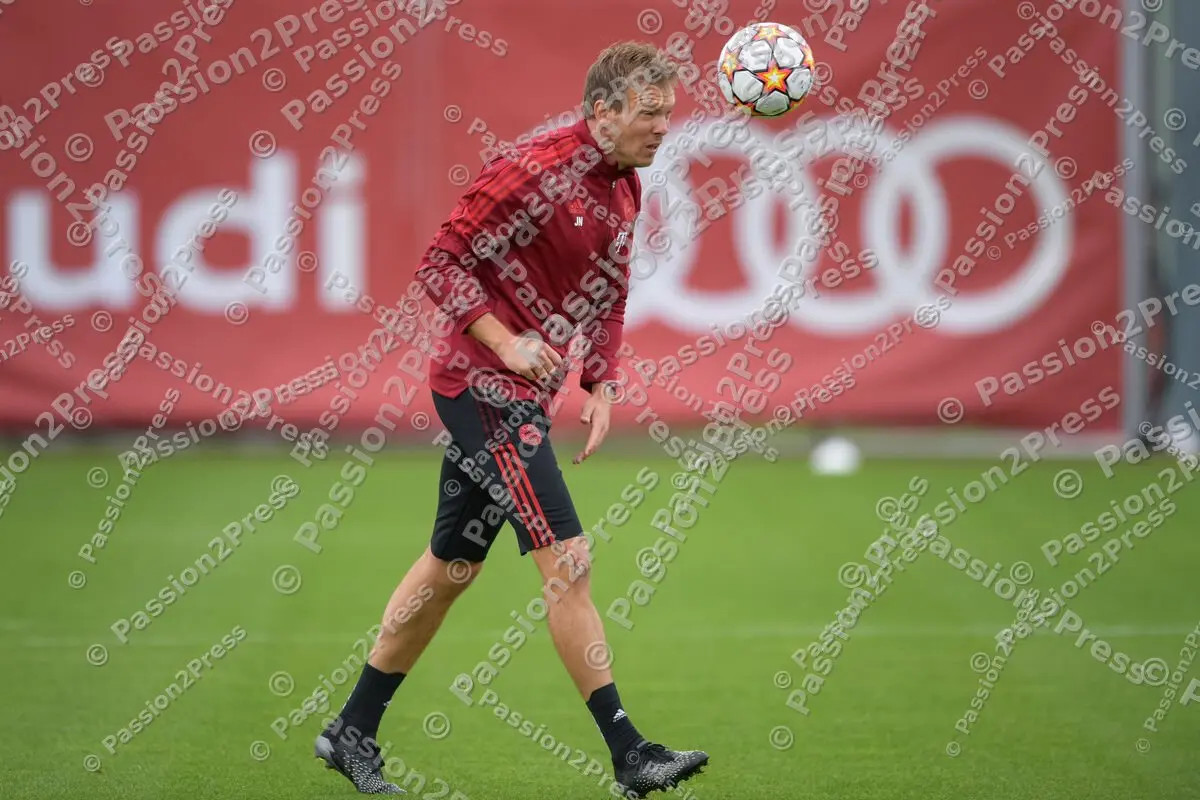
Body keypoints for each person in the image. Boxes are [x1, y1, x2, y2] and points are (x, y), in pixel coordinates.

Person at [314, 41, 709, 797]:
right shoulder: (533, 168)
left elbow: (611, 288)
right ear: (603, 111)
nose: (664, 128)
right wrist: (505, 340)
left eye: (669, 113)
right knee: (568, 563)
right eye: (650, 113)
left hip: (521, 394)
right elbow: (439, 261)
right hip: (482, 389)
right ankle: (629, 753)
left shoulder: (625, 186)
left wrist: (601, 380)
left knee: (451, 567)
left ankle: (350, 731)